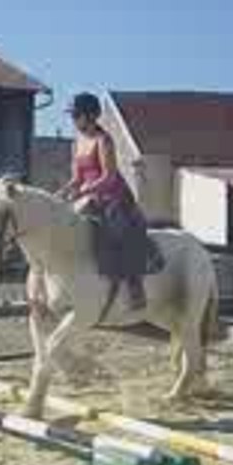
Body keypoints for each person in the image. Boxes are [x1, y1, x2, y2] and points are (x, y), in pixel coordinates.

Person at [56, 92, 151, 311]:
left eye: (76, 115)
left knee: (117, 232)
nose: (73, 120)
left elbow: (109, 176)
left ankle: (135, 285)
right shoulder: (77, 143)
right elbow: (76, 178)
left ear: (89, 116)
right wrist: (61, 193)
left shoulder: (104, 140)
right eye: (72, 116)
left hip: (113, 197)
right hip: (89, 197)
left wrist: (85, 190)